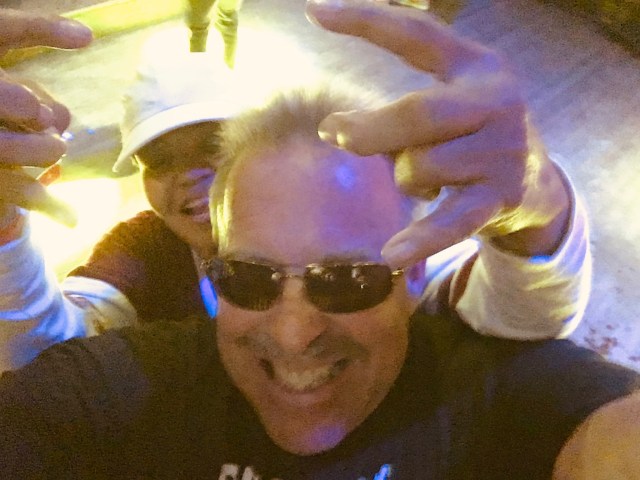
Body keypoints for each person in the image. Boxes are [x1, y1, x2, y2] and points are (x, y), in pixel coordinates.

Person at [1, 1, 640, 478]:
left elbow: (518, 320)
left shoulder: (439, 339)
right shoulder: (143, 260)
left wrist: (537, 201)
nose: (292, 332)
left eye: (346, 282)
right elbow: (53, 365)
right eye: (246, 278)